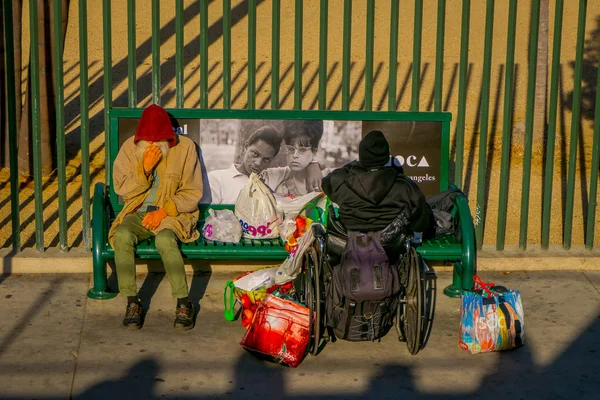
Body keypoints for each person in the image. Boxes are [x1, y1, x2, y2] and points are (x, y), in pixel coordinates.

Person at [109, 104, 203, 330]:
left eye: (156, 142)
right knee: (121, 236)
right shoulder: (129, 148)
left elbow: (192, 192)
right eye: (147, 142)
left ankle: (183, 302)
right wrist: (145, 169)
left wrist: (163, 212)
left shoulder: (185, 148)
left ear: (166, 139)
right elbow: (122, 188)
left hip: (173, 213)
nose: (151, 146)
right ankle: (132, 301)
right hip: (139, 210)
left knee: (165, 240)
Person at [322, 130, 432, 253]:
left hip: (348, 245)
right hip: (390, 250)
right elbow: (421, 223)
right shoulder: (404, 186)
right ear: (386, 156)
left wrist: (352, 166)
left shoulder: (342, 181)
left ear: (361, 155)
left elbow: (326, 184)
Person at [207, 125, 322, 204]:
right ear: (246, 146)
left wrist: (313, 164)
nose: (258, 163)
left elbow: (299, 165)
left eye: (266, 160)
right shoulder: (217, 179)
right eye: (255, 154)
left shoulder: (271, 176)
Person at [269, 120, 331, 197]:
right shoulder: (282, 189)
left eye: (302, 150)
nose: (295, 155)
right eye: (291, 149)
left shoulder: (328, 180)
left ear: (314, 151)